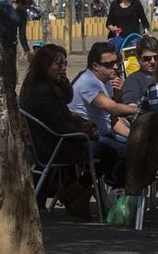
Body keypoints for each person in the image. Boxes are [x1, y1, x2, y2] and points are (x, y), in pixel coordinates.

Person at [19, 44, 111, 218]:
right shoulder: (42, 90)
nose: (63, 68)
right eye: (58, 64)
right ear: (45, 65)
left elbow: (67, 99)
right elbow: (59, 125)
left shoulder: (43, 82)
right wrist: (85, 132)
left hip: (52, 141)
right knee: (109, 152)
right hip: (54, 146)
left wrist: (63, 79)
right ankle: (75, 190)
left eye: (65, 64)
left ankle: (74, 189)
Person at [69, 41, 139, 187]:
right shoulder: (88, 83)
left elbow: (112, 120)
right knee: (126, 153)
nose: (115, 67)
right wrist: (141, 109)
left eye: (117, 62)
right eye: (109, 64)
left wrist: (135, 135)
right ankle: (115, 192)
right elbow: (113, 108)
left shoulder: (105, 81)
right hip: (83, 139)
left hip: (105, 133)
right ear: (95, 66)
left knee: (139, 146)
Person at [0, 0, 32, 77]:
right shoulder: (2, 6)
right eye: (25, 7)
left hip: (11, 44)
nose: (25, 10)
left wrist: (27, 50)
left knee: (10, 71)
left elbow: (22, 34)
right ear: (19, 3)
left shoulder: (23, 15)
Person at [120, 35, 158, 104]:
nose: (153, 61)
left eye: (156, 57)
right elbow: (130, 105)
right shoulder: (133, 80)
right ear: (138, 59)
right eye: (147, 58)